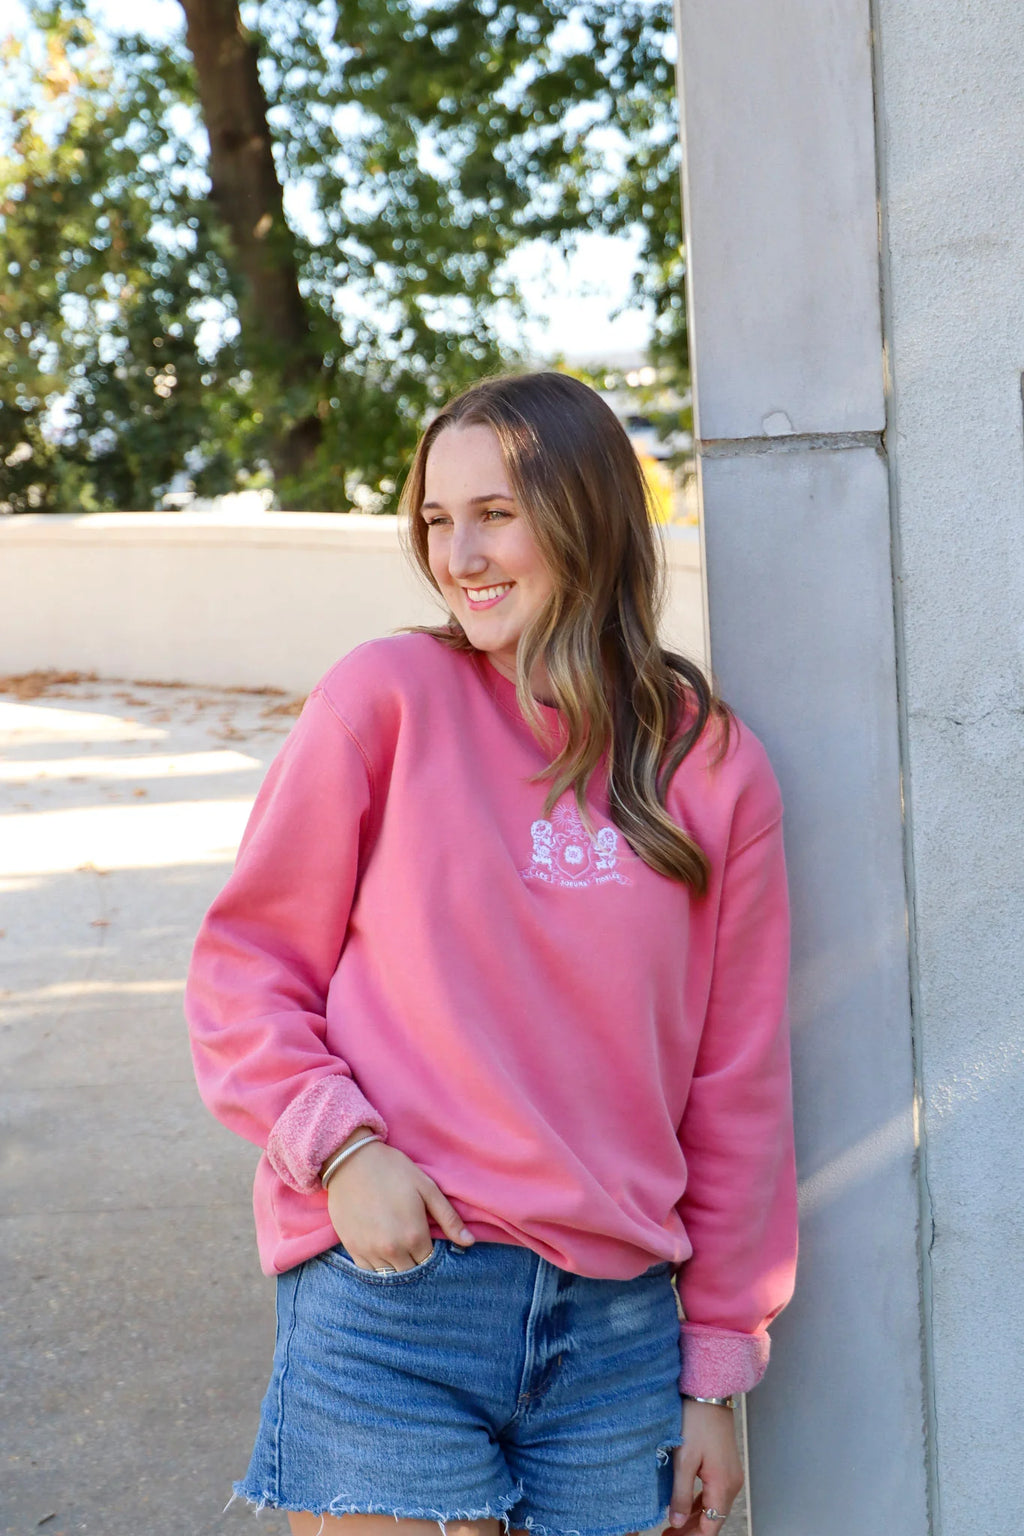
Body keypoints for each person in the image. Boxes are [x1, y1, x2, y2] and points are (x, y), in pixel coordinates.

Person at [185, 371, 797, 1536]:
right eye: (434, 519)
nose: (458, 556)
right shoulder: (386, 700)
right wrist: (340, 1150)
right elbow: (244, 968)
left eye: (495, 514)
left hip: (616, 1334)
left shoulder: (711, 767)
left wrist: (716, 1367)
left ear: (586, 516)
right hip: (399, 1292)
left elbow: (737, 1088)